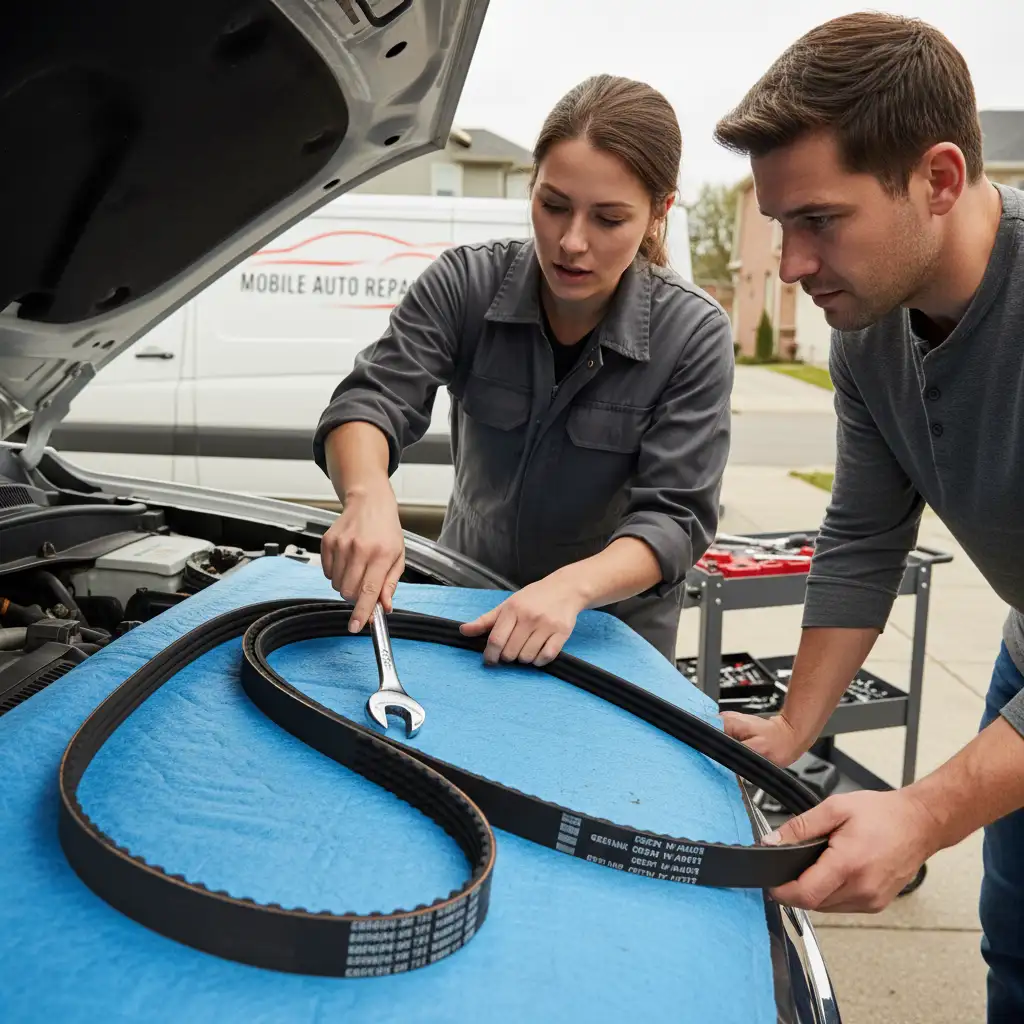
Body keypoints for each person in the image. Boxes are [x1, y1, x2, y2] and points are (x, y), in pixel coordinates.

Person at [713, 11, 1024, 1020]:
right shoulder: (868, 338)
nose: (793, 262)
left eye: (819, 219)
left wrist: (924, 813)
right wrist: (793, 729)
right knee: (1014, 942)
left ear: (937, 178)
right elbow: (859, 536)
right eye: (779, 225)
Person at [311, 74, 734, 667]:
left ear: (659, 213)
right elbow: (371, 400)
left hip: (605, 638)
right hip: (464, 608)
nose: (571, 242)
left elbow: (674, 518)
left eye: (608, 219)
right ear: (532, 186)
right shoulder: (463, 285)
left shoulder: (693, 333)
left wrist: (570, 589)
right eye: (553, 205)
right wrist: (366, 494)